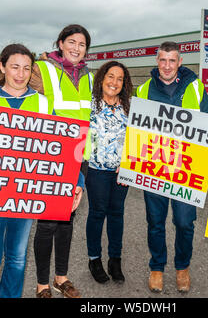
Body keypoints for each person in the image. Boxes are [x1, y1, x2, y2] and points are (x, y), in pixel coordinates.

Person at [0, 24, 93, 298]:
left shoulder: (74, 84)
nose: (21, 73)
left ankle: (36, 286)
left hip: (47, 174)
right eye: (71, 42)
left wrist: (76, 178)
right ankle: (14, 290)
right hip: (3, 182)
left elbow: (71, 135)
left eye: (82, 44)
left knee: (33, 246)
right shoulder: (27, 78)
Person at [136, 41, 208, 293]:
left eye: (172, 60)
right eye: (162, 60)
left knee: (184, 222)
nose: (167, 65)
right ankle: (157, 267)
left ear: (180, 62)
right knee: (155, 221)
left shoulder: (195, 87)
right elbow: (135, 131)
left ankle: (182, 267)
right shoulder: (144, 89)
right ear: (156, 62)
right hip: (154, 168)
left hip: (186, 171)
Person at [85, 61, 132, 284]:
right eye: (110, 76)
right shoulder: (89, 103)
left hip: (121, 170)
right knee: (97, 213)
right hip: (96, 170)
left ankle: (115, 260)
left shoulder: (129, 106)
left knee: (117, 214)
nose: (114, 82)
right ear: (102, 78)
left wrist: (129, 162)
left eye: (119, 79)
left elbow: (139, 136)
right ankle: (94, 259)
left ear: (124, 83)